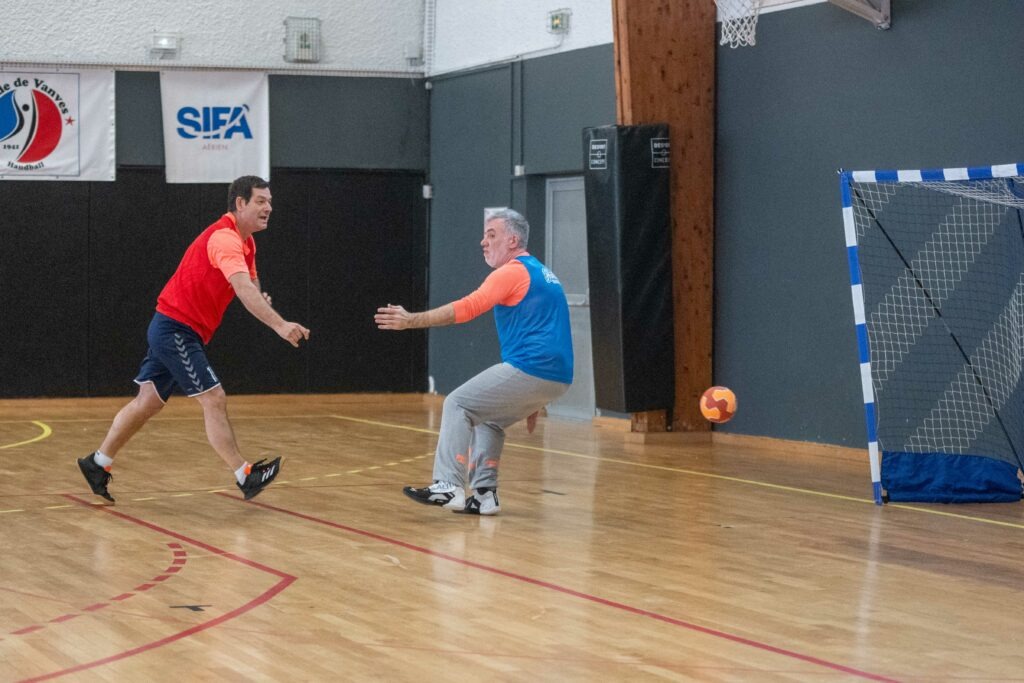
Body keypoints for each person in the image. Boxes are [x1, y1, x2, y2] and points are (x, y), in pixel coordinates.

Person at [77, 175, 310, 503]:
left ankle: (97, 462)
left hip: (175, 328)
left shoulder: (247, 243)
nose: (268, 207)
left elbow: (250, 285)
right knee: (214, 398)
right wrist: (280, 325)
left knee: (148, 402)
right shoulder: (224, 239)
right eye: (261, 201)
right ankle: (244, 475)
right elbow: (243, 289)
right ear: (240, 203)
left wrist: (262, 300)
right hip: (175, 329)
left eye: (270, 201)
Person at [375, 208, 572, 515]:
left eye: (491, 235)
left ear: (513, 240)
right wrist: (537, 397)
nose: (483, 242)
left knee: (457, 404)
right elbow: (551, 328)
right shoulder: (543, 273)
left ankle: (448, 485)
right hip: (557, 376)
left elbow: (469, 307)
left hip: (531, 366)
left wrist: (411, 320)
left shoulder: (511, 272)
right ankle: (484, 495)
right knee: (489, 419)